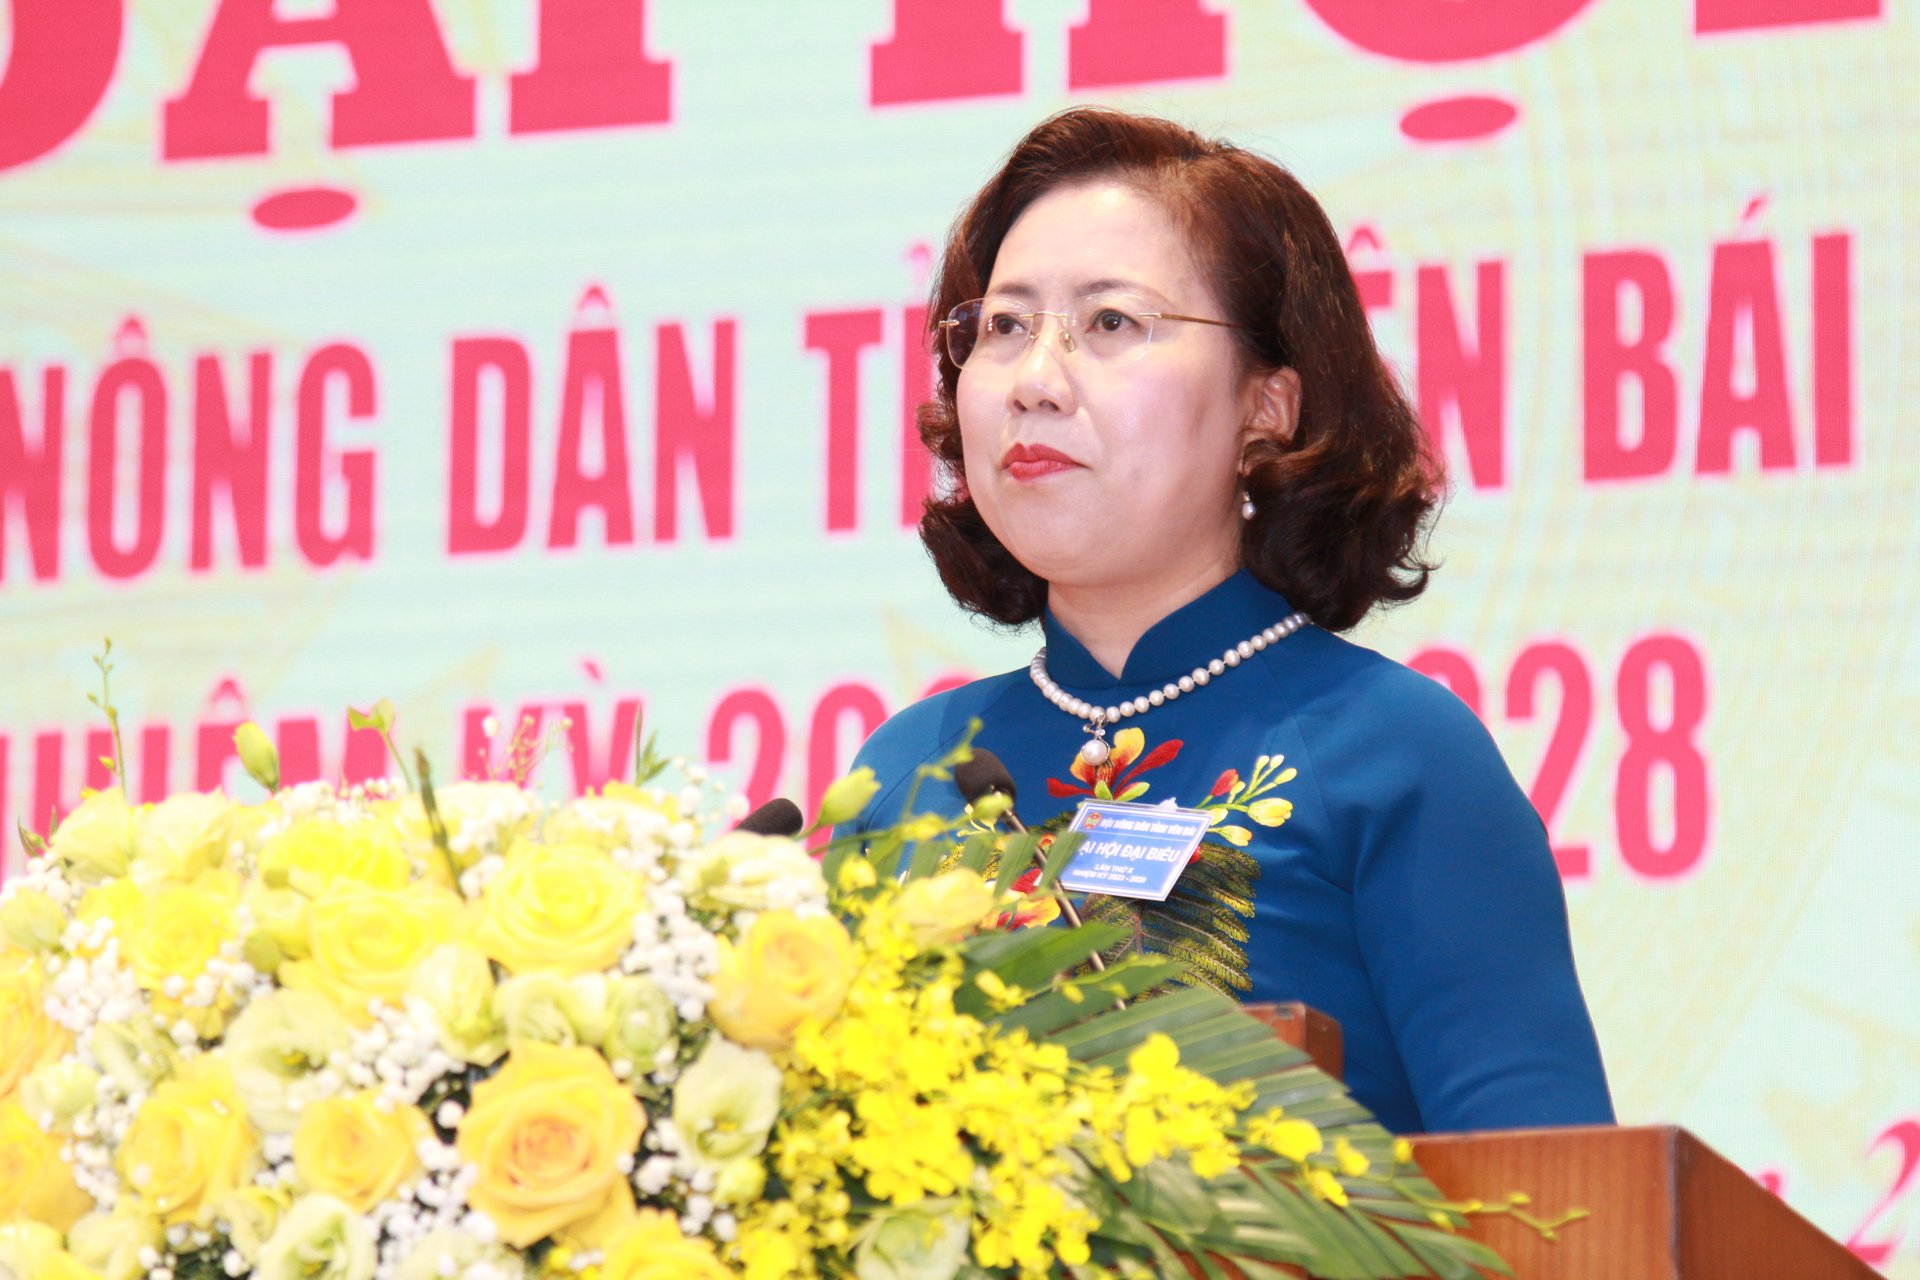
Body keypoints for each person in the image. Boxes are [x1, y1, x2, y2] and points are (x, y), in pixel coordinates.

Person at [846, 108, 1612, 1136]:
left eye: (1111, 322)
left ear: (1268, 405)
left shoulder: (1396, 756)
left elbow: (1561, 1206)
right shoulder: (906, 772)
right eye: (1003, 326)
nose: (1034, 381)